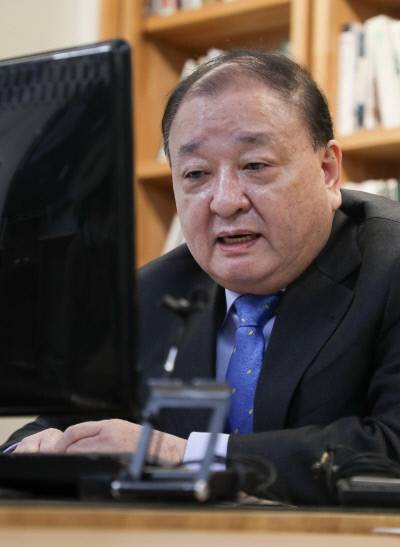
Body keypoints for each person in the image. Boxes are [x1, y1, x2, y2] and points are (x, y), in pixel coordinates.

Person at [4, 50, 400, 505]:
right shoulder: (150, 295)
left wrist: (180, 453)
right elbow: (53, 427)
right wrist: (35, 451)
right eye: (196, 174)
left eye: (255, 166)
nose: (225, 201)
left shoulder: (389, 267)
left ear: (328, 171)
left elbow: (390, 449)